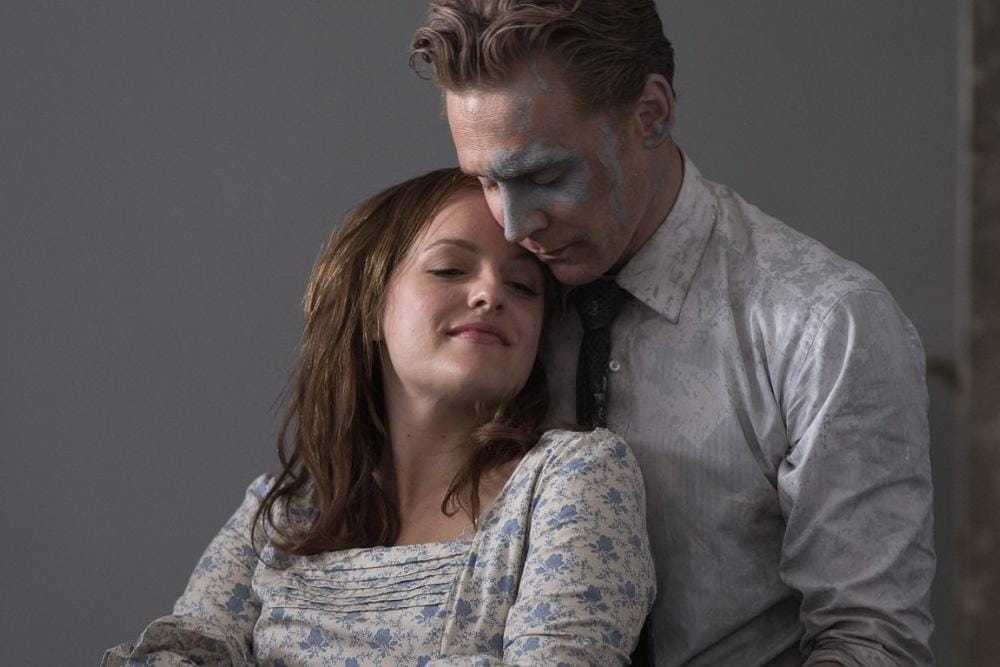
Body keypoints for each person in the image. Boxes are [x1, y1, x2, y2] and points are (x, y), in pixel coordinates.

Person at [410, 2, 935, 665]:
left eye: (544, 176)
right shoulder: (485, 311)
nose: (515, 226)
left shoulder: (827, 325)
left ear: (651, 114)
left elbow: (871, 642)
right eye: (486, 181)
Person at [103, 168, 655, 665]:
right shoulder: (279, 515)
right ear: (369, 308)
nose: (491, 293)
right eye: (449, 269)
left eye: (522, 286)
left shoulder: (574, 478)